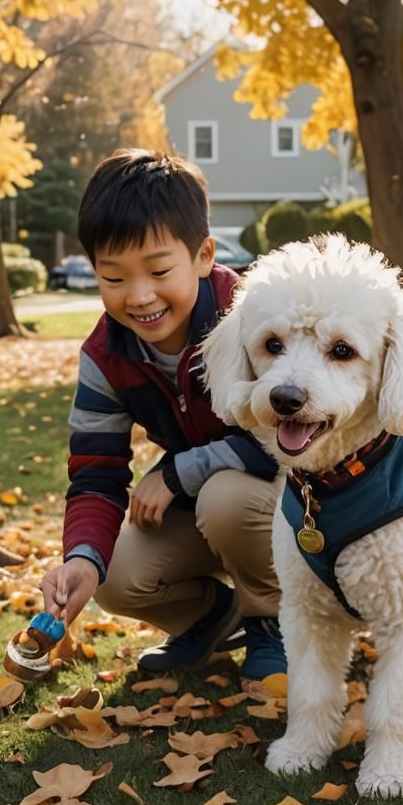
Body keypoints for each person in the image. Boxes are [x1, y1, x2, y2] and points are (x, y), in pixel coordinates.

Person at [40, 149, 286, 679]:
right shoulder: (106, 356)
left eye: (158, 270)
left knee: (225, 494)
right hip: (209, 512)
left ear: (202, 255)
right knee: (112, 571)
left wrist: (182, 470)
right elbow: (95, 474)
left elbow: (292, 439)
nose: (140, 296)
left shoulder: (254, 317)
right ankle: (214, 618)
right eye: (114, 278)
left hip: (298, 505)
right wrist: (81, 557)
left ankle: (277, 625)